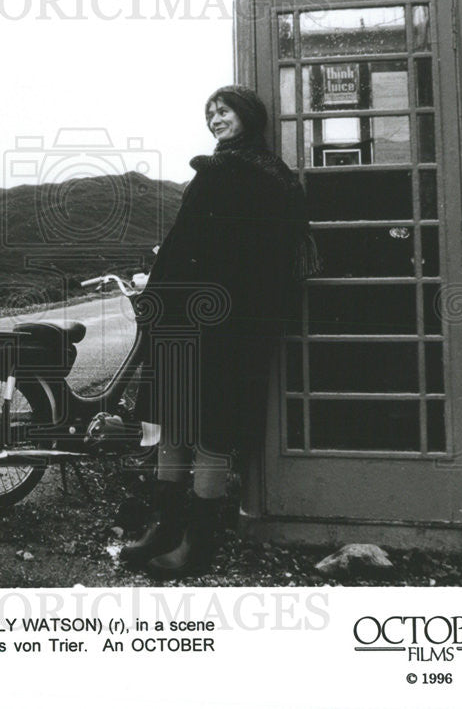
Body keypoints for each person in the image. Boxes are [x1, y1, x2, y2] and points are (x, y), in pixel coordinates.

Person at [121, 85, 316, 577]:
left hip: (220, 321)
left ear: (248, 116)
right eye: (209, 113)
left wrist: (159, 296)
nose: (214, 119)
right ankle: (166, 528)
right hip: (207, 315)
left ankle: (196, 544)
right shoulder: (267, 175)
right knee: (177, 419)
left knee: (206, 428)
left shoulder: (230, 172)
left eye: (223, 110)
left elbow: (198, 245)